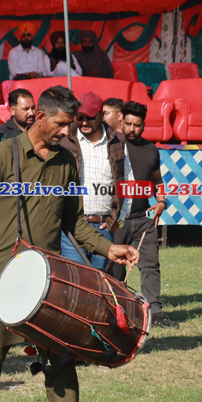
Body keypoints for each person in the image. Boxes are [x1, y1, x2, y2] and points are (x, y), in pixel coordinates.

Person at [0, 85, 141, 402]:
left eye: (70, 124)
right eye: (61, 123)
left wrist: (108, 248)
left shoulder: (66, 161)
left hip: (50, 278)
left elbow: (75, 221)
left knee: (62, 356)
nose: (67, 131)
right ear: (39, 116)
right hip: (2, 273)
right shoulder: (2, 155)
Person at [110, 101, 175, 327]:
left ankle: (155, 313)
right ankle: (113, 311)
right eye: (128, 124)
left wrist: (161, 201)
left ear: (144, 125)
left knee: (150, 266)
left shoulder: (151, 149)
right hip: (116, 220)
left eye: (136, 125)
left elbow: (158, 181)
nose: (131, 129)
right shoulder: (111, 146)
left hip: (143, 218)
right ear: (121, 121)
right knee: (113, 269)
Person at [59, 92, 130, 270]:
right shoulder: (64, 140)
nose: (84, 122)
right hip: (72, 227)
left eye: (90, 118)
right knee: (76, 279)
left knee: (99, 281)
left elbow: (128, 183)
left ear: (102, 115)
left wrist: (119, 220)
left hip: (104, 227)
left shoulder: (118, 142)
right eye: (80, 117)